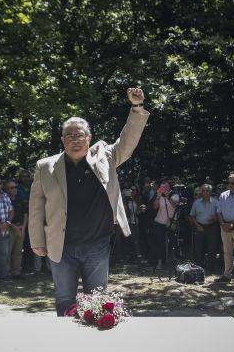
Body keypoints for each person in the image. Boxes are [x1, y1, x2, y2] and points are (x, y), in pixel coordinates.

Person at [29, 87, 148, 316]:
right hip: (60, 247)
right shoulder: (45, 166)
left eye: (80, 134)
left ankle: (95, 349)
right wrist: (37, 240)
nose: (76, 139)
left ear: (89, 137)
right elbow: (36, 207)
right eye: (70, 135)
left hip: (97, 244)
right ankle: (66, 349)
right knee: (65, 301)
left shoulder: (107, 157)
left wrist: (136, 108)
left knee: (98, 303)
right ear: (63, 140)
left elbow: (128, 141)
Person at [189, 183, 220, 272]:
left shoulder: (215, 202)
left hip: (212, 227)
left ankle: (211, 268)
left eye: (207, 191)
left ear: (210, 192)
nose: (205, 192)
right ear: (201, 192)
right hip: (199, 226)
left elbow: (220, 215)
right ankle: (199, 267)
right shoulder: (196, 203)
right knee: (198, 248)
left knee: (212, 248)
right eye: (203, 191)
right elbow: (192, 216)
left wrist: (215, 219)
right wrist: (197, 225)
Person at [152, 180, 179, 270]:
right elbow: (155, 207)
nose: (165, 189)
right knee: (160, 242)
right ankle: (159, 262)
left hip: (170, 223)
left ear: (170, 188)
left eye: (166, 187)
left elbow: (174, 205)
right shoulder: (160, 197)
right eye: (163, 187)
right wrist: (158, 196)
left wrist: (167, 196)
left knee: (172, 242)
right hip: (159, 222)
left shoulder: (175, 196)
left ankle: (172, 260)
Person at [6, 180, 26, 279]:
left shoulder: (20, 199)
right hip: (10, 229)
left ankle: (16, 272)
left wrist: (23, 227)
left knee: (18, 252)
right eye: (12, 188)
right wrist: (15, 228)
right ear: (7, 189)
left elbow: (25, 214)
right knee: (8, 251)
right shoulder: (5, 200)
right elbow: (5, 218)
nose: (14, 189)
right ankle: (7, 272)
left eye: (15, 187)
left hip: (21, 228)